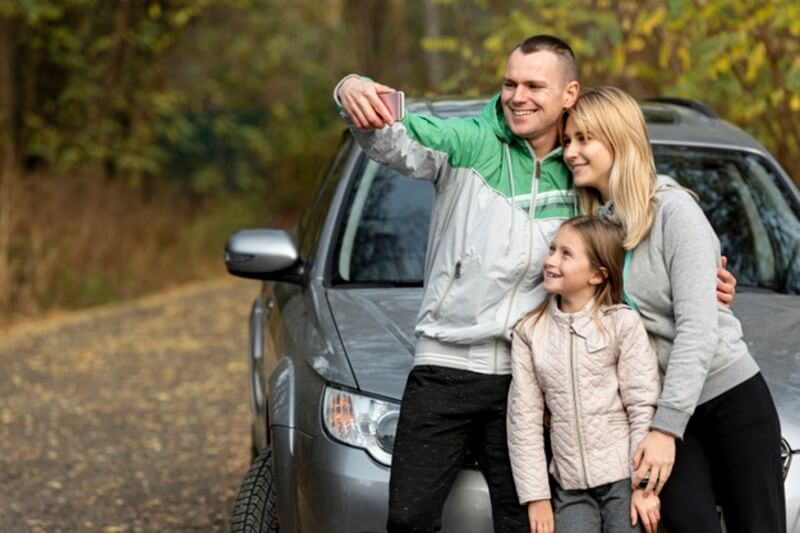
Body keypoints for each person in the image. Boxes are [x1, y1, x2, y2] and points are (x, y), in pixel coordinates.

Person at [334, 35, 736, 532]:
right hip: (445, 365)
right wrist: (351, 91)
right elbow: (394, 139)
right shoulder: (468, 143)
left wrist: (703, 271)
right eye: (510, 84)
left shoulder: (582, 174)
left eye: (533, 86)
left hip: (531, 377)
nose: (517, 96)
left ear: (569, 94)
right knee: (408, 520)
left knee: (525, 526)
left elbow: (641, 207)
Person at [562, 86, 785, 533]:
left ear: (619, 140)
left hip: (728, 400)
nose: (570, 152)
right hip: (662, 410)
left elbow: (698, 329)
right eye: (568, 140)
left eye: (584, 139)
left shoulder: (675, 212)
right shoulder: (595, 231)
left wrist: (665, 429)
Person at [508, 215, 662, 533]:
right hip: (570, 487)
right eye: (552, 249)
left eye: (566, 254)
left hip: (624, 480)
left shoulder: (621, 324)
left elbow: (643, 405)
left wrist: (644, 486)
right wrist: (537, 496)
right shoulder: (530, 332)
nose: (551, 260)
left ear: (597, 275)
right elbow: (523, 420)